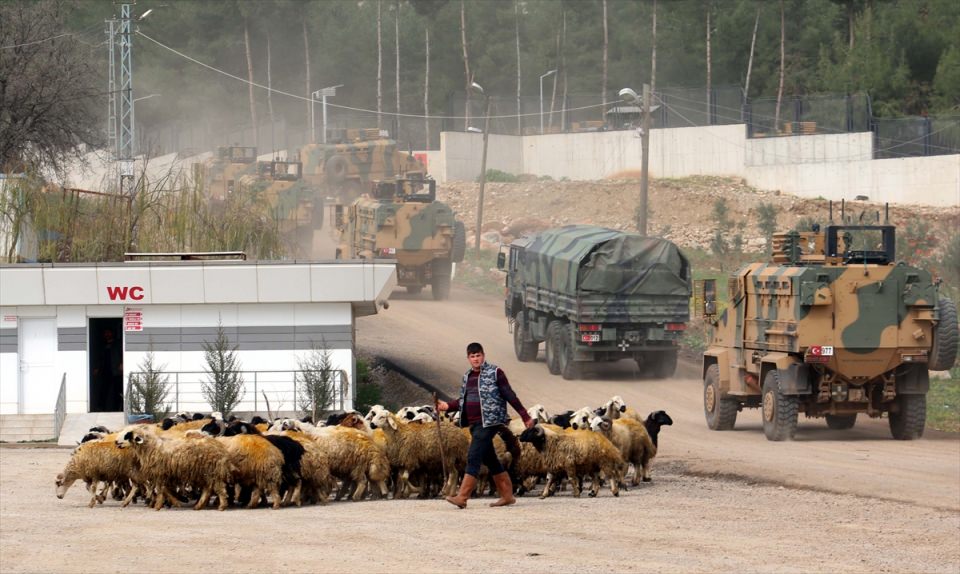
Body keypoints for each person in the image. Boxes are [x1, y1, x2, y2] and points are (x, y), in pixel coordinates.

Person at [437, 342, 534, 509]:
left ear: (483, 355)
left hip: (490, 421)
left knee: (473, 456)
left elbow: (509, 395)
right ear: (468, 358)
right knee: (491, 459)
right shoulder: (467, 376)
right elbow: (464, 400)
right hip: (474, 423)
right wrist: (447, 406)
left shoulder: (495, 373)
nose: (476, 359)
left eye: (478, 355)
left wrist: (524, 415)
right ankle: (507, 495)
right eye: (472, 356)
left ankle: (462, 497)